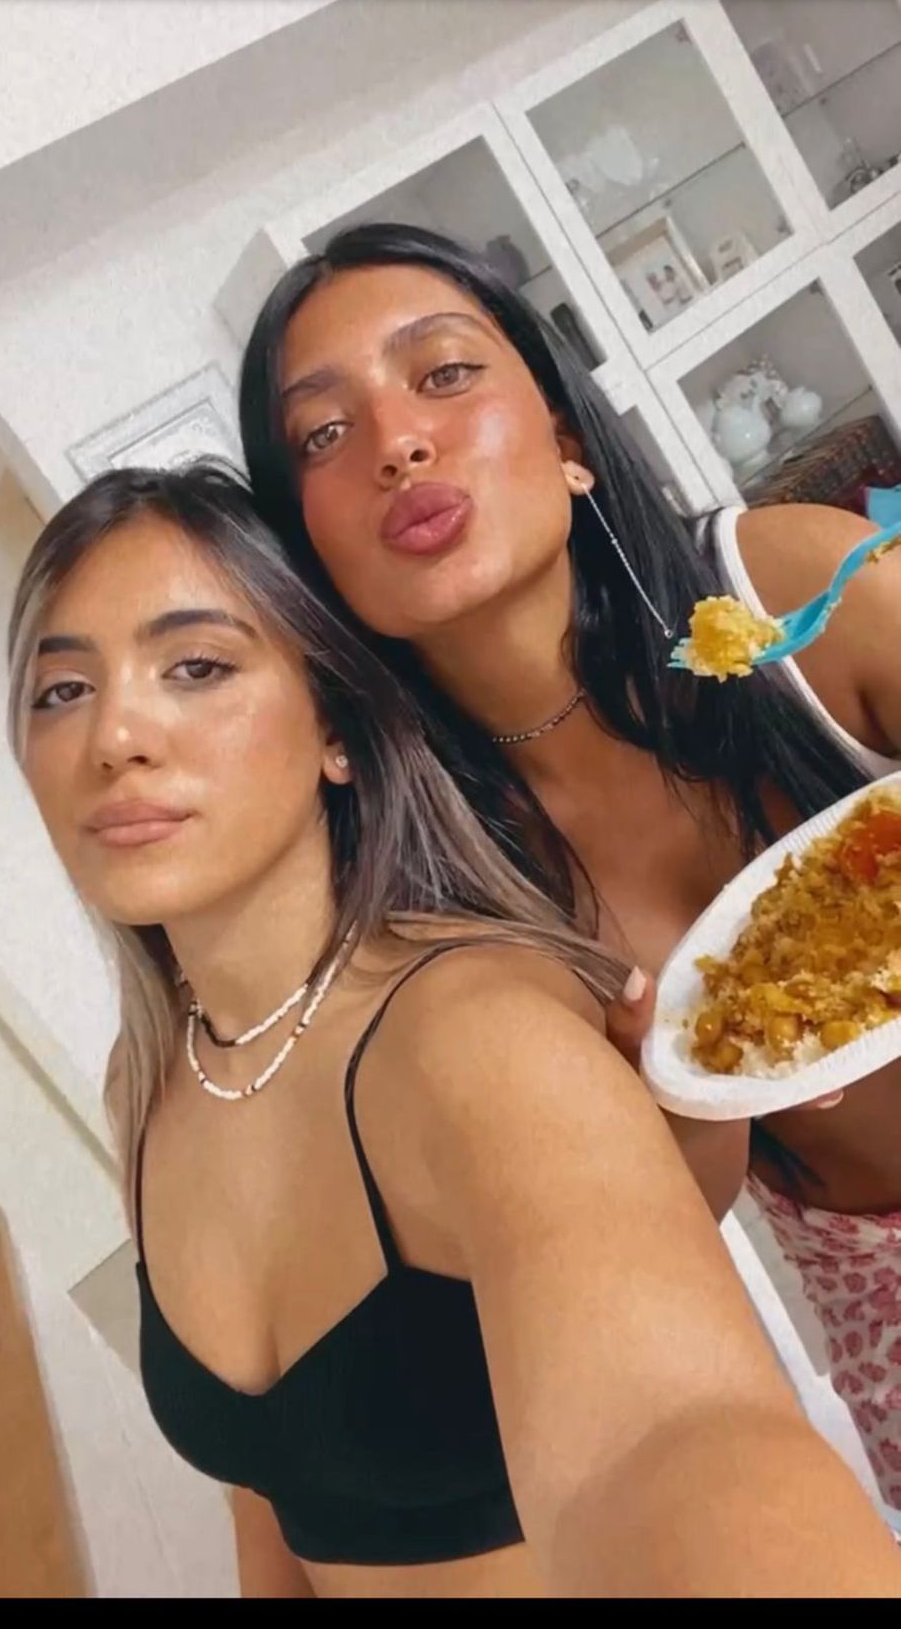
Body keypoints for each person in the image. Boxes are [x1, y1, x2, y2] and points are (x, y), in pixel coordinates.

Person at [7, 461, 899, 1596]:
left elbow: (672, 1441)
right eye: (61, 690)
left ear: (336, 728)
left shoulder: (480, 1034)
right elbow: (270, 1502)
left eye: (196, 666)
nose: (115, 734)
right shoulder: (149, 1079)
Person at [238, 221, 901, 1530]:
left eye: (443, 373)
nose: (397, 444)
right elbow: (677, 1215)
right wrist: (688, 1106)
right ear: (311, 556)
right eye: (324, 435)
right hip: (868, 1280)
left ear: (567, 437)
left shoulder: (784, 587)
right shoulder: (448, 894)